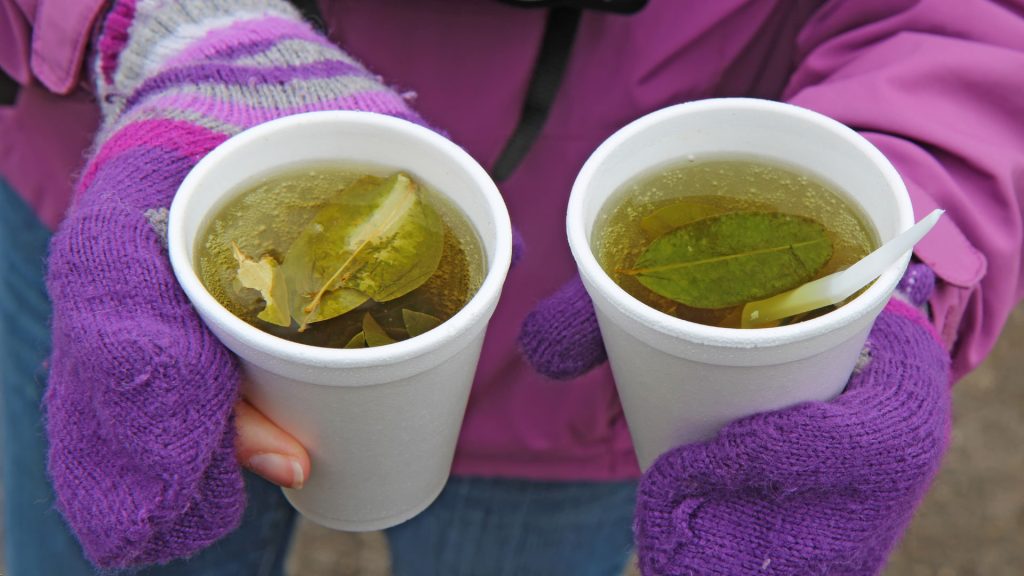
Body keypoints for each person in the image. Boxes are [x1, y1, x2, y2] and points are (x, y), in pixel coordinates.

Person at [1, 0, 1022, 574]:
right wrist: (161, 22)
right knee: (136, 536)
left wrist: (883, 252)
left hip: (596, 370)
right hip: (143, 221)